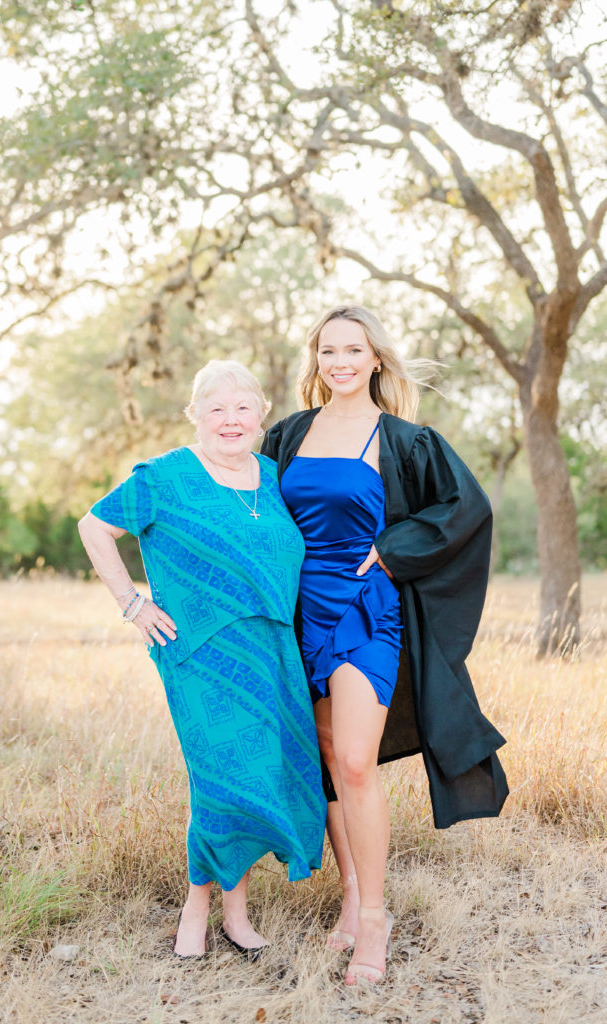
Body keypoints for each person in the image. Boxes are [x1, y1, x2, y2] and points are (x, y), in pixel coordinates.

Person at [262, 304, 508, 986]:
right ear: (315, 361)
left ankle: (375, 918)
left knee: (356, 761)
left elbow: (465, 507)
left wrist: (392, 550)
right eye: (326, 351)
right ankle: (347, 896)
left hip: (362, 610)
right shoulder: (287, 435)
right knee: (326, 761)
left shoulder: (402, 439)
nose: (337, 362)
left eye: (351, 350)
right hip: (295, 612)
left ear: (375, 360)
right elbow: (247, 508)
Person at [78, 359, 326, 960]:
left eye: (242, 408)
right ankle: (197, 905)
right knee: (219, 780)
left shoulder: (273, 477)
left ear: (262, 415)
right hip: (200, 653)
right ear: (195, 417)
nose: (230, 420)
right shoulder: (165, 476)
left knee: (261, 774)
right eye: (216, 409)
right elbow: (94, 526)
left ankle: (237, 916)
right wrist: (132, 604)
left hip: (272, 652)